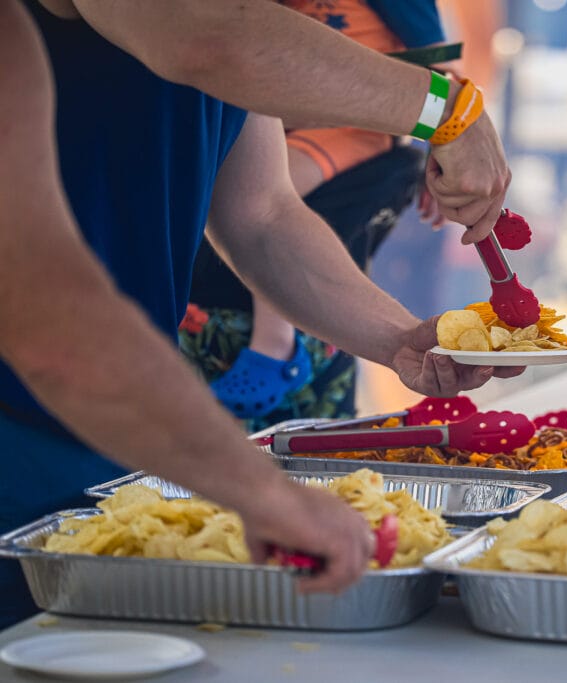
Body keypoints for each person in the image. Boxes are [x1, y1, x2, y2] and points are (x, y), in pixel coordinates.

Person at [0, 0, 517, 629]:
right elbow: (208, 34)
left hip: (113, 429)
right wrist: (448, 110)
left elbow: (263, 215)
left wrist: (398, 338)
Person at [185, 0, 455, 430]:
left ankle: (275, 341)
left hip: (353, 125)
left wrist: (447, 138)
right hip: (288, 117)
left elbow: (439, 60)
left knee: (276, 188)